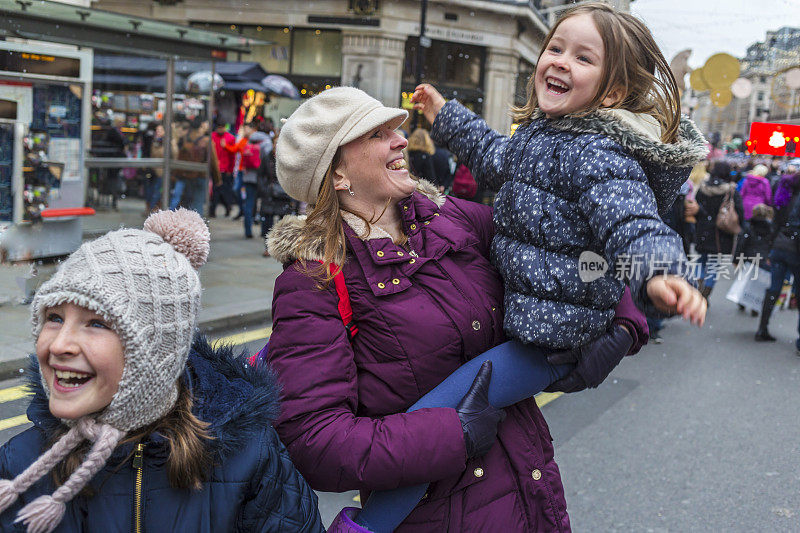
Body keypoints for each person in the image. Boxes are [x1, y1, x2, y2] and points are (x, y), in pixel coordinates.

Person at [378, 2, 708, 528]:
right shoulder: (539, 135)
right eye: (555, 48)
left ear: (613, 92)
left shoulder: (598, 152)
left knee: (429, 424)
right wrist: (446, 114)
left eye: (582, 57)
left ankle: (362, 526)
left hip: (552, 340)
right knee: (444, 431)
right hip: (524, 321)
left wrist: (660, 271)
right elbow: (489, 154)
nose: (559, 61)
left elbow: (632, 220)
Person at [265, 86, 653, 533]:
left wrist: (624, 321)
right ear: (336, 176)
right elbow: (316, 441)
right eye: (376, 134)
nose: (400, 140)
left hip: (532, 500)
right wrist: (453, 434)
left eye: (394, 127)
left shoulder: (456, 219)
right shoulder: (311, 284)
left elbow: (571, 257)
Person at [0, 209, 324, 533]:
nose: (59, 345)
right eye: (54, 317)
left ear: (155, 350)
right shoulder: (21, 465)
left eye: (96, 323)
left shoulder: (249, 457)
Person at [694, 160, 745, 299]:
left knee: (701, 260)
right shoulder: (730, 190)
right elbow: (740, 212)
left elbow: (696, 207)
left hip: (703, 230)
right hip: (720, 232)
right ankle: (705, 295)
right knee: (714, 264)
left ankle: (697, 286)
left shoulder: (703, 187)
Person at [756, 187, 800, 345]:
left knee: (774, 288)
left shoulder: (786, 194)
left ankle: (762, 328)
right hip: (795, 249)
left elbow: (775, 223)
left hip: (779, 245)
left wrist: (770, 248)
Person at [240, 122, 263, 239]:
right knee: (261, 204)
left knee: (248, 204)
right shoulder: (264, 145)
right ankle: (263, 230)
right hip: (260, 179)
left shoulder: (248, 144)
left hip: (248, 177)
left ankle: (247, 229)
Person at [210, 119, 236, 218]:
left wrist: (230, 169)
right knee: (218, 190)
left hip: (225, 169)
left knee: (221, 190)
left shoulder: (230, 138)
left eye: (222, 127)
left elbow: (232, 156)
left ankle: (222, 208)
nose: (220, 129)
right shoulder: (212, 137)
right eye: (219, 127)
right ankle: (225, 207)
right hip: (215, 168)